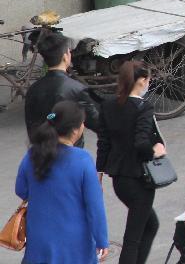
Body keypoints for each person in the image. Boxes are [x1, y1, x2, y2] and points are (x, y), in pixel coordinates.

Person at [15, 100, 109, 264]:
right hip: (74, 244)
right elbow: (95, 206)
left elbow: (21, 189)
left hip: (39, 240)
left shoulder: (33, 154)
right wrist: (101, 240)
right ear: (75, 130)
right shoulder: (83, 159)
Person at [97, 61, 166, 264]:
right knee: (133, 238)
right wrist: (156, 151)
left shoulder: (109, 105)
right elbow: (141, 142)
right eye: (148, 79)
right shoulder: (143, 108)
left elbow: (104, 141)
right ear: (142, 81)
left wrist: (99, 172)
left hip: (119, 179)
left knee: (150, 224)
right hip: (139, 180)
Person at [24, 31, 100, 146]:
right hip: (69, 153)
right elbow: (97, 123)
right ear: (65, 57)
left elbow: (31, 125)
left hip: (40, 154)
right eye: (69, 51)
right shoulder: (77, 89)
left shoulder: (33, 89)